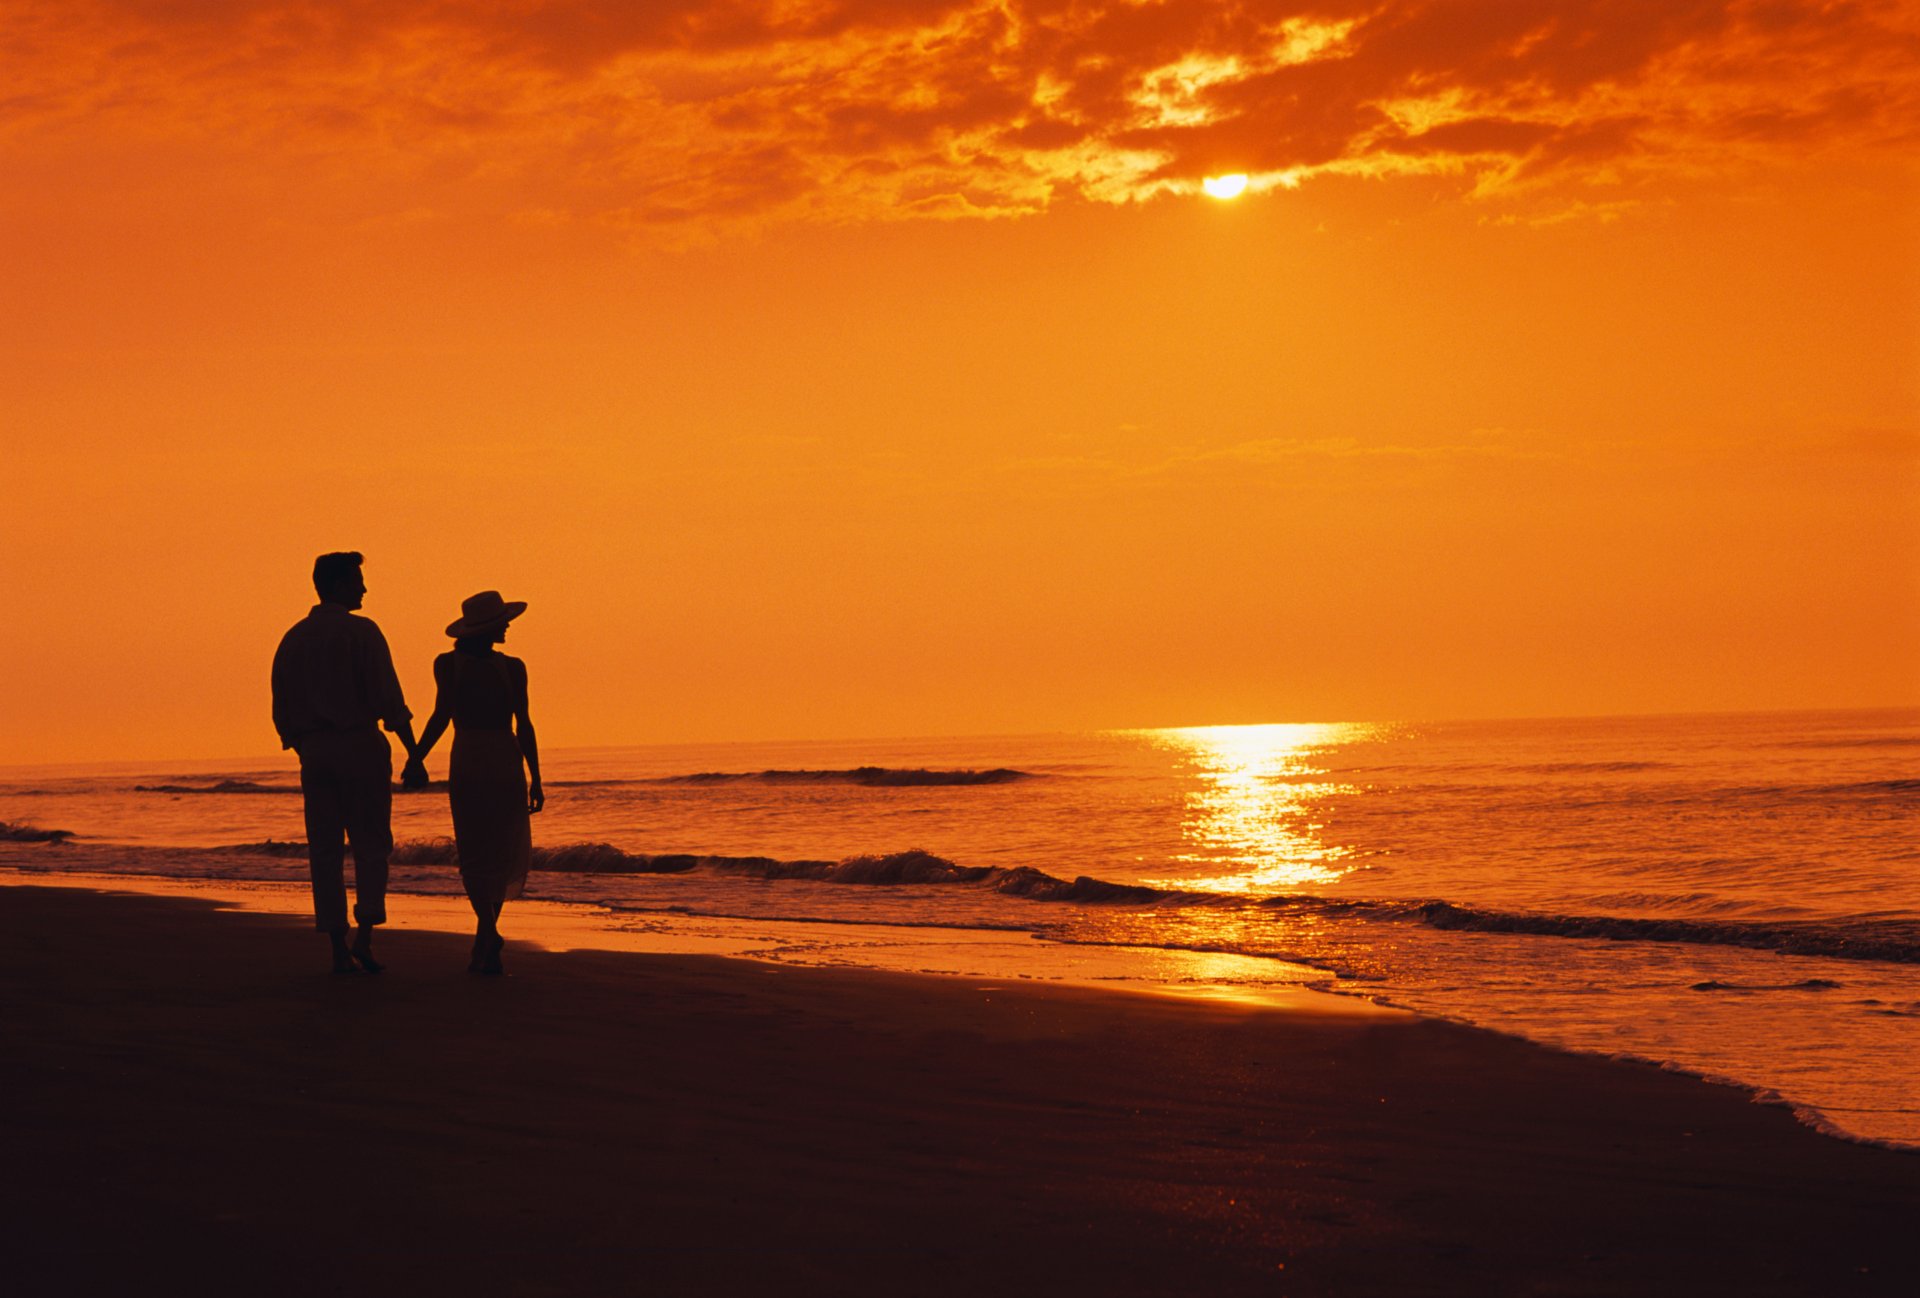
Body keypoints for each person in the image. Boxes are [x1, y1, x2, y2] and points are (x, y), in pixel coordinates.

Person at [271, 551, 420, 974]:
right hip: (359, 743)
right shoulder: (363, 633)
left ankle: (338, 946)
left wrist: (305, 744)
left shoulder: (294, 638)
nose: (363, 588)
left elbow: (282, 707)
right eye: (356, 580)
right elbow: (389, 698)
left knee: (325, 850)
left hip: (316, 750)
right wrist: (413, 752)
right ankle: (366, 937)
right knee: (372, 845)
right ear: (337, 584)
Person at [409, 591, 543, 975]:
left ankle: (486, 932)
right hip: (500, 758)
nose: (507, 626)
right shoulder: (502, 667)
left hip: (473, 757)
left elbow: (441, 717)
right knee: (493, 848)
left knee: (480, 848)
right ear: (488, 627)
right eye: (502, 621)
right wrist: (535, 776)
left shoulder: (460, 665)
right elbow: (523, 726)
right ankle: (488, 932)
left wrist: (416, 756)